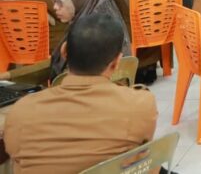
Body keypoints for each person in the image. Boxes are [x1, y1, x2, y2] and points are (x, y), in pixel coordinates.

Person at [4, 14, 158, 174]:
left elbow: (14, 154)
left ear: (64, 51)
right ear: (117, 62)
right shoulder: (140, 105)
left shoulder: (21, 112)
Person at [46, 0, 132, 78]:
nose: (55, 7)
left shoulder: (86, 35)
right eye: (55, 1)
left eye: (60, 2)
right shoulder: (111, 24)